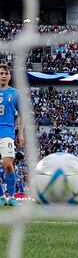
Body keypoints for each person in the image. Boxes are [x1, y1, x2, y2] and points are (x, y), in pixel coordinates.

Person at [0, 64, 22, 206]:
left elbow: (22, 114)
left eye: (5, 73)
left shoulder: (15, 93)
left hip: (7, 131)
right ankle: (2, 196)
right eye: (1, 73)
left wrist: (20, 134)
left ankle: (12, 197)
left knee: (8, 165)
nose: (3, 75)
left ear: (9, 76)